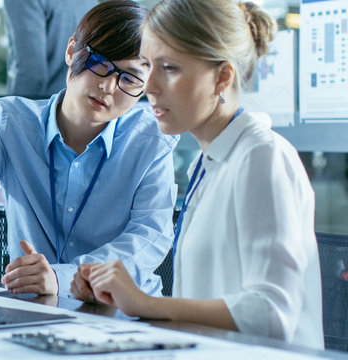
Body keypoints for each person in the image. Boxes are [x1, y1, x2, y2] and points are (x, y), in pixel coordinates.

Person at [72, 0, 324, 349]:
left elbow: (272, 313)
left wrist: (147, 304)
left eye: (170, 68)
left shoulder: (262, 156)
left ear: (222, 77)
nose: (150, 86)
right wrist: (121, 300)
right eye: (149, 66)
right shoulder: (210, 164)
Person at [0, 0, 179, 299]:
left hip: (127, 314)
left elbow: (150, 237)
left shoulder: (151, 140)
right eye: (100, 63)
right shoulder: (12, 121)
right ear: (72, 51)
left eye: (130, 78)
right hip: (35, 311)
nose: (109, 88)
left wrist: (64, 278)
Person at [4, 0, 98, 96]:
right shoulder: (92, 3)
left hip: (43, 105)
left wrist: (11, 108)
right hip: (77, 103)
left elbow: (30, 73)